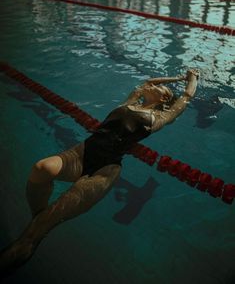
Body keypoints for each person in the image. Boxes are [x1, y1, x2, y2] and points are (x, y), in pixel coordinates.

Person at [0, 69, 199, 276]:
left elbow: (185, 98)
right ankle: (38, 218)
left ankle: (32, 234)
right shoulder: (130, 102)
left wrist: (192, 79)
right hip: (80, 154)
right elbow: (148, 81)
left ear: (164, 98)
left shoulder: (158, 118)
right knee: (41, 169)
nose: (153, 85)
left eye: (160, 88)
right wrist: (177, 77)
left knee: (34, 232)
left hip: (104, 171)